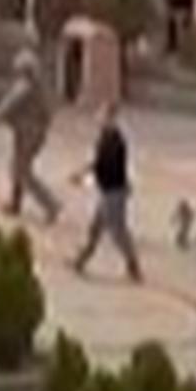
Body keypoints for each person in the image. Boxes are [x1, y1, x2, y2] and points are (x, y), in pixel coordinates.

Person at [0, 47, 60, 225]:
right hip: (30, 132)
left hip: (29, 134)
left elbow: (7, 107)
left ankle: (51, 205)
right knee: (18, 167)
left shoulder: (25, 87)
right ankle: (15, 204)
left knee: (21, 171)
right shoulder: (39, 86)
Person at [73, 104, 142, 282]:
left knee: (117, 231)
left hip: (114, 192)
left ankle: (133, 264)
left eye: (102, 115)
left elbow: (104, 165)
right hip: (108, 190)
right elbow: (97, 162)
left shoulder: (115, 140)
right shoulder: (105, 137)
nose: (98, 118)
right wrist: (83, 173)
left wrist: (85, 178)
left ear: (111, 118)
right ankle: (81, 260)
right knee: (96, 228)